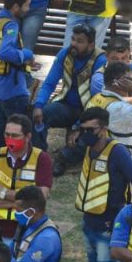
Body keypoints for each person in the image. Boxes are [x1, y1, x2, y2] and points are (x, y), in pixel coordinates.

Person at [73, 107, 132, 262]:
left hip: (108, 231)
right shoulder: (88, 148)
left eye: (90, 130)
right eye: (82, 129)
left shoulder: (118, 152)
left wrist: (129, 219)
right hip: (88, 226)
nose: (85, 135)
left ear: (104, 128)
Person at [31, 26, 108, 174]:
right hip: (66, 106)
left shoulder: (100, 60)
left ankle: (62, 158)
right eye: (73, 39)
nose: (73, 43)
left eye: (80, 41)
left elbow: (98, 99)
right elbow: (49, 83)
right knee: (39, 115)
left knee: (91, 135)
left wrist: (78, 127)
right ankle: (39, 157)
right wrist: (39, 105)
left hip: (90, 111)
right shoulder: (64, 54)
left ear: (91, 44)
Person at [0, 114, 53, 251]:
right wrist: (17, 203)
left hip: (29, 233)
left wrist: (2, 192)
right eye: (7, 135)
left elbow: (40, 199)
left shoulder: (42, 159)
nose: (10, 139)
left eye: (15, 135)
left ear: (28, 136)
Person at [0, 0, 36, 151]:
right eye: (27, 5)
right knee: (22, 131)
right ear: (16, 6)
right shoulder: (11, 26)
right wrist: (26, 55)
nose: (28, 9)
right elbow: (5, 53)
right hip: (13, 91)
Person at [87, 61, 132, 171]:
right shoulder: (118, 108)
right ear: (116, 82)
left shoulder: (98, 97)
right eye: (130, 80)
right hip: (123, 163)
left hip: (106, 158)